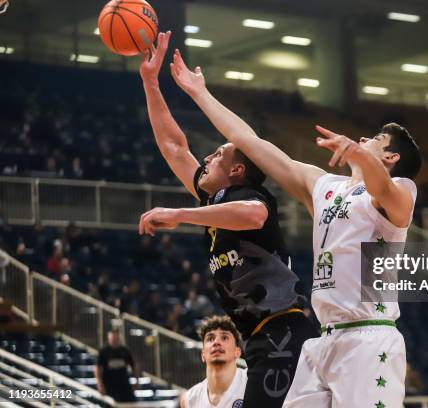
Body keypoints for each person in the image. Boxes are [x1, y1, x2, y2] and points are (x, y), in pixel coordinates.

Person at [169, 44, 420, 408]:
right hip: (323, 340)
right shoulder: (324, 186)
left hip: (369, 339)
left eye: (375, 141)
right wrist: (200, 93)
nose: (364, 140)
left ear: (391, 157)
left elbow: (384, 189)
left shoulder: (399, 191)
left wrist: (359, 154)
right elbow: (250, 143)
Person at [138, 31, 317, 408]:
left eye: (217, 155)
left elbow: (252, 216)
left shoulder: (250, 197)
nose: (206, 159)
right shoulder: (214, 198)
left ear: (237, 170)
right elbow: (174, 148)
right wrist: (151, 83)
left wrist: (180, 214)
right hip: (260, 334)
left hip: (284, 328)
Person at [181, 316, 247, 408]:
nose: (216, 342)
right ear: (203, 355)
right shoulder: (189, 399)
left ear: (237, 352)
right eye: (210, 339)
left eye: (224, 338)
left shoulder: (251, 381)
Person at [95, 329, 139, 402]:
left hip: (123, 382)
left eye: (116, 339)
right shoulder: (104, 351)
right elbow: (98, 368)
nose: (114, 340)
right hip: (109, 383)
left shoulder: (125, 351)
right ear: (109, 338)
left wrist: (137, 381)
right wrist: (100, 383)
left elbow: (133, 366)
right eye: (113, 339)